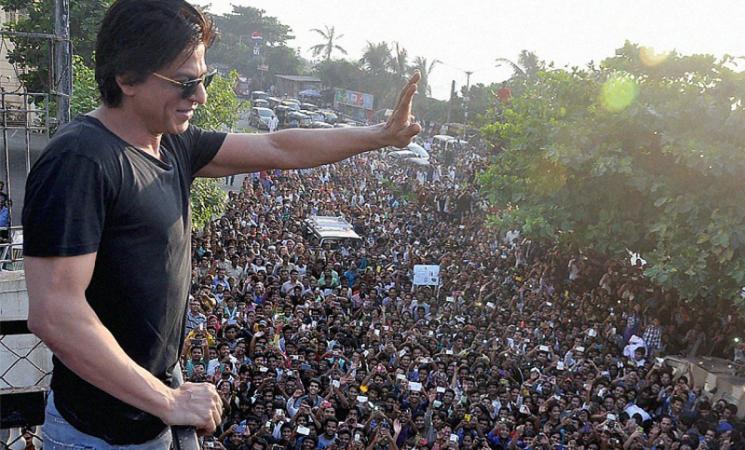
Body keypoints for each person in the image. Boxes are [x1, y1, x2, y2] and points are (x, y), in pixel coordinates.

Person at [21, 0, 421, 448]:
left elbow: (278, 148)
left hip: (150, 418)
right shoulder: (80, 161)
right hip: (96, 436)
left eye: (203, 79)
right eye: (186, 82)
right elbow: (55, 313)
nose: (201, 97)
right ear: (127, 78)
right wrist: (167, 400)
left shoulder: (171, 144)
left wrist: (379, 137)